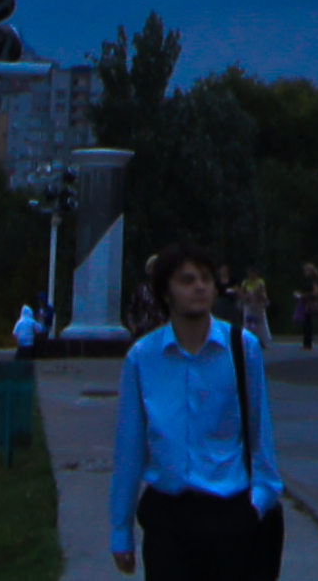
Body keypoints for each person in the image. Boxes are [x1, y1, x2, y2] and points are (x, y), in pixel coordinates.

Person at [111, 241, 283, 578]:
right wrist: (121, 530)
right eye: (187, 280)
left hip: (230, 512)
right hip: (168, 515)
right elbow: (129, 451)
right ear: (165, 293)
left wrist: (257, 503)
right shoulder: (142, 358)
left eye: (206, 278)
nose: (200, 287)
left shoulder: (242, 348)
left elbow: (259, 434)